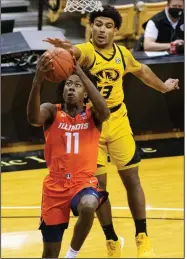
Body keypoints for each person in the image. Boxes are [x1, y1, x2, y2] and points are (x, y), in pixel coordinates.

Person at [44, 5, 179, 258]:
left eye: (108, 26)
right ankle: (112, 239)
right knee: (97, 189)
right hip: (89, 125)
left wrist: (163, 87)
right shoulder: (84, 51)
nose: (102, 30)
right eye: (98, 24)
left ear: (116, 30)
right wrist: (63, 50)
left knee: (131, 179)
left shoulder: (123, 54)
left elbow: (142, 71)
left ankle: (142, 237)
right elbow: (72, 52)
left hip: (117, 119)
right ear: (90, 27)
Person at [27, 52, 110, 258]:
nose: (71, 87)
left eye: (77, 84)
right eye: (68, 84)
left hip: (83, 183)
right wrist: (37, 82)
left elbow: (106, 112)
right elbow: (33, 118)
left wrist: (80, 72)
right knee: (49, 253)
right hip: (55, 187)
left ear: (86, 93)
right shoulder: (52, 111)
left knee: (89, 206)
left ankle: (72, 254)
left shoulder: (93, 115)